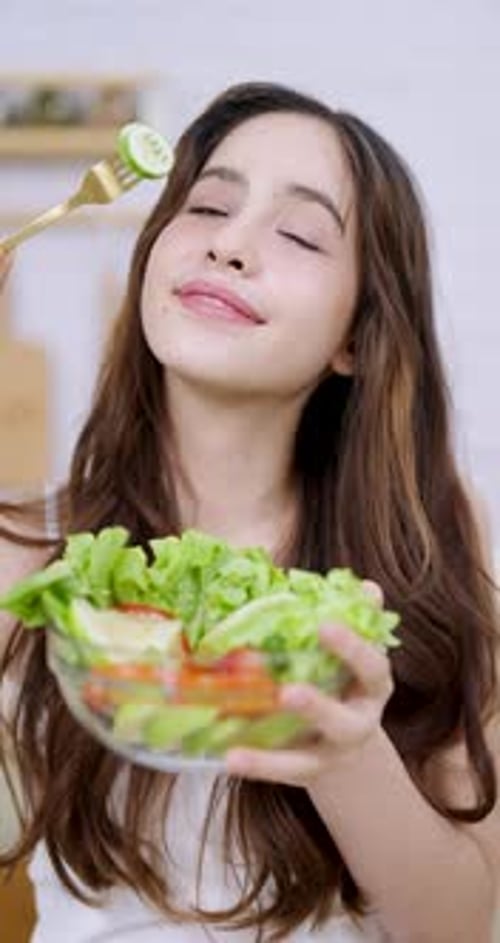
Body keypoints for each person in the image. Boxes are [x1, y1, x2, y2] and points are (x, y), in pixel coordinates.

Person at [0, 81, 498, 943]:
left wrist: (349, 756)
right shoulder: (25, 554)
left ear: (356, 335)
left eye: (301, 234)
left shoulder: (429, 557)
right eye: (207, 207)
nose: (230, 245)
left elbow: (462, 926)